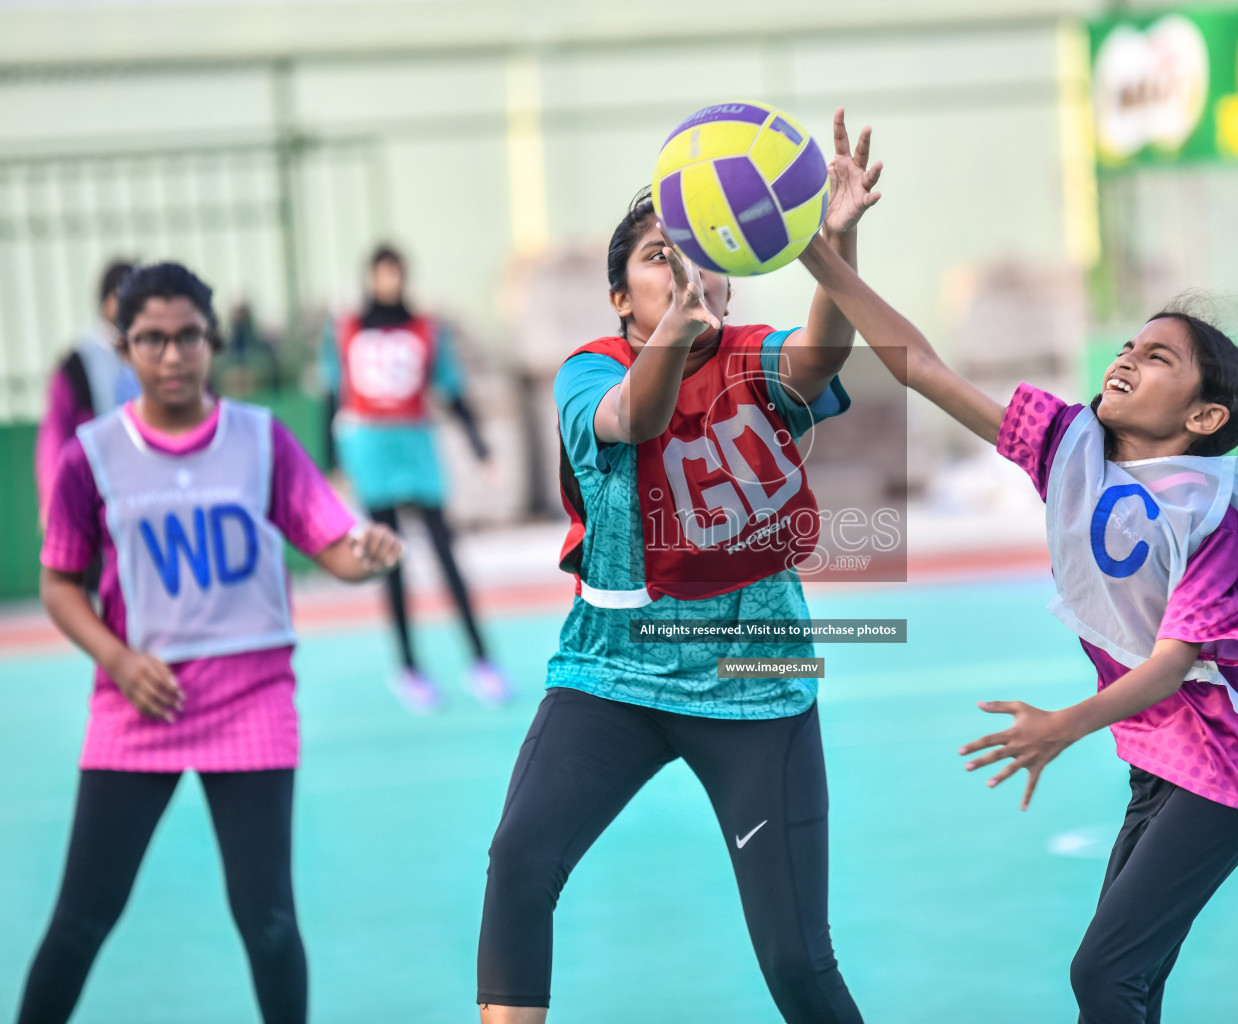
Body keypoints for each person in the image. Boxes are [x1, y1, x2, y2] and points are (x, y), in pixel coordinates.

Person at [793, 237, 1238, 1024]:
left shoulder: (1210, 512)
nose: (1126, 359)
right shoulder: (1073, 448)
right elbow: (922, 367)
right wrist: (819, 257)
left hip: (1225, 773)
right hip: (1158, 760)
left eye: (1158, 357)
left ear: (1203, 416)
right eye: (1130, 344)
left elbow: (1172, 665)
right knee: (1129, 983)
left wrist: (1063, 726)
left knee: (1103, 975)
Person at [476, 108, 883, 1023]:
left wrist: (835, 246)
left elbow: (821, 358)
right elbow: (637, 414)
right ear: (622, 298)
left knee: (796, 961)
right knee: (518, 863)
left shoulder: (754, 357)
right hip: (612, 671)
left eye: (693, 251)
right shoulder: (589, 370)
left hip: (757, 677)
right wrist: (677, 328)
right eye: (660, 255)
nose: (685, 267)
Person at [15, 262, 403, 1024]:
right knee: (80, 921)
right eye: (151, 339)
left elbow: (330, 542)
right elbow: (61, 585)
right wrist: (119, 661)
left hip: (252, 701)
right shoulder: (89, 458)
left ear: (212, 341)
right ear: (124, 349)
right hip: (139, 704)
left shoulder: (261, 441)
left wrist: (369, 555)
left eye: (187, 336)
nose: (171, 355)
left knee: (268, 922)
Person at [318, 244, 510, 712]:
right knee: (390, 561)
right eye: (381, 274)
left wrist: (478, 445)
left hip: (417, 448)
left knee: (447, 555)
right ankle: (408, 666)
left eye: (395, 273)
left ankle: (481, 660)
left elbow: (451, 388)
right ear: (370, 277)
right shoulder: (345, 329)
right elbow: (332, 393)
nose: (388, 282)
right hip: (371, 451)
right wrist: (333, 463)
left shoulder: (427, 328)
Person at [34, 260, 139, 530]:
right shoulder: (79, 362)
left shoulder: (155, 353)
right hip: (93, 495)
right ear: (107, 302)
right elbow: (55, 433)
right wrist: (52, 498)